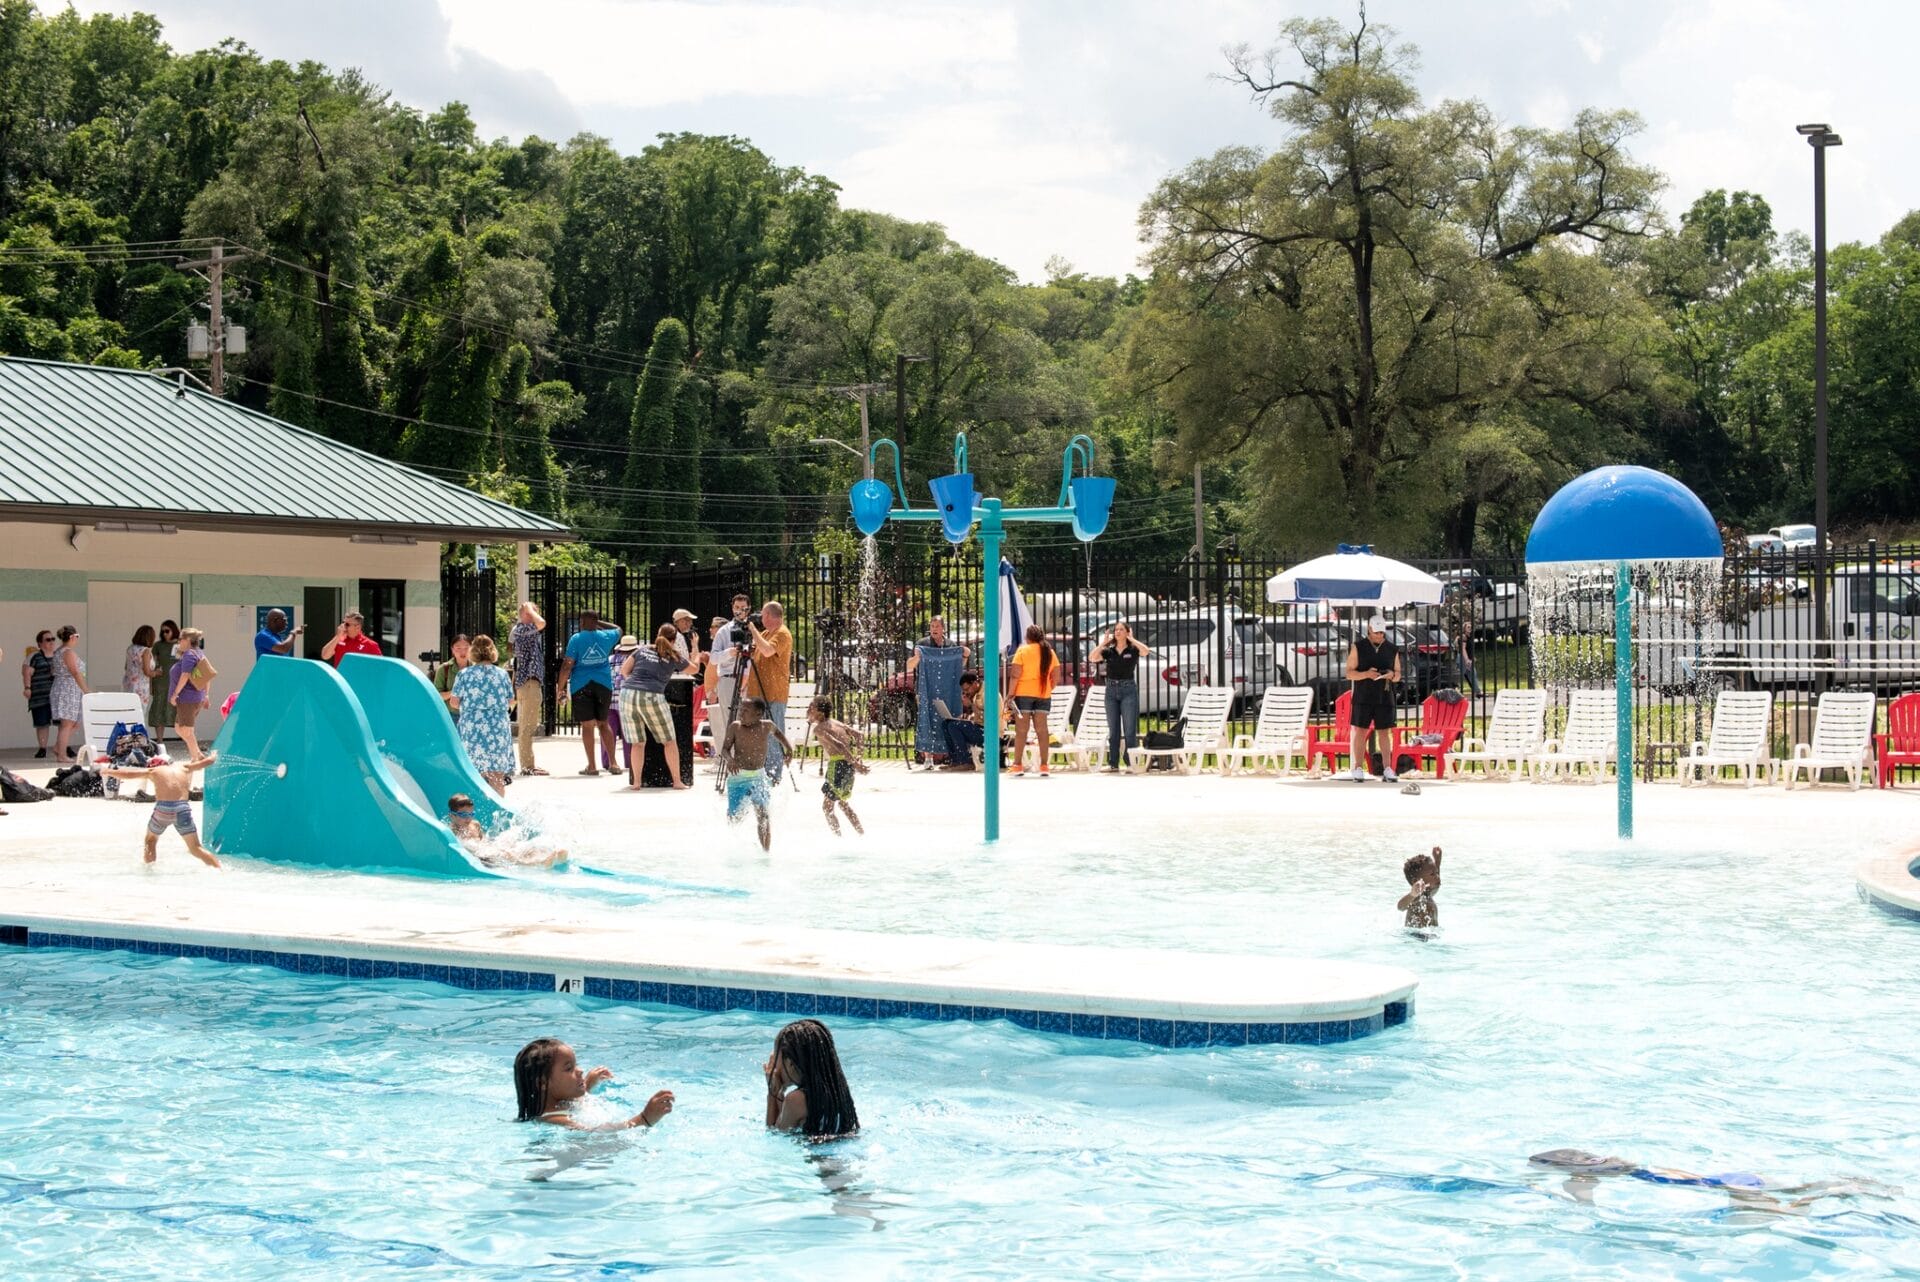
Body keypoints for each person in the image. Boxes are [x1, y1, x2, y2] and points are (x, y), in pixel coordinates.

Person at [512, 1037, 673, 1131]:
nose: (580, 1070)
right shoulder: (555, 1121)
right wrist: (643, 1119)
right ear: (542, 1083)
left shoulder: (560, 1104)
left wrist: (586, 1086)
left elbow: (574, 1103)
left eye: (576, 1064)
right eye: (569, 1068)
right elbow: (599, 1136)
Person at [97, 750, 221, 867]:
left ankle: (149, 870)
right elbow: (206, 763)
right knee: (195, 848)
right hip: (182, 809)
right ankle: (219, 869)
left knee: (150, 841)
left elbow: (129, 774)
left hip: (163, 809)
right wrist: (213, 755)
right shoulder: (184, 767)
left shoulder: (154, 771)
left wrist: (108, 771)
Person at [618, 625, 699, 790]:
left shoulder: (642, 650)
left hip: (627, 694)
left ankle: (637, 782)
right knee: (669, 741)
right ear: (674, 640)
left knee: (637, 743)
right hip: (652, 695)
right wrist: (695, 648)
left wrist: (635, 685)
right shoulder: (673, 655)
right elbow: (694, 669)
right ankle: (677, 781)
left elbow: (624, 671)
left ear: (657, 635)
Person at [765, 1018, 859, 1139]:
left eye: (776, 1057)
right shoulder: (839, 1093)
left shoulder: (795, 1100)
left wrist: (773, 1092)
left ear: (790, 1064)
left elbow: (775, 1134)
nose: (772, 1064)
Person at [556, 610, 622, 776]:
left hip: (581, 685)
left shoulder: (576, 639)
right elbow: (618, 629)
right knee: (603, 723)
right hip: (604, 684)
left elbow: (567, 664)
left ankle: (592, 766)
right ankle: (614, 763)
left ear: (582, 622)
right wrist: (598, 623)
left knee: (587, 725)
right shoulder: (606, 636)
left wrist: (560, 688)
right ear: (596, 622)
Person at [724, 698, 793, 851]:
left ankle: (765, 852)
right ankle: (732, 844)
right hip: (738, 778)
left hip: (759, 777)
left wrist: (788, 748)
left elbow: (778, 733)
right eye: (740, 709)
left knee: (763, 816)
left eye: (745, 711)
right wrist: (730, 760)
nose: (741, 713)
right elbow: (725, 749)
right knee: (735, 818)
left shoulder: (766, 726)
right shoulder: (735, 727)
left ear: (758, 714)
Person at [451, 635, 515, 795]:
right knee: (497, 777)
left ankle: (477, 808)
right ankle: (497, 808)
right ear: (493, 651)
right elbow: (510, 701)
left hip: (473, 728)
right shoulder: (502, 674)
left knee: (474, 773)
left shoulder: (464, 674)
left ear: (473, 651)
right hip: (497, 728)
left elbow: (454, 702)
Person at [1345, 614, 1401, 782]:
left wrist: (1391, 675)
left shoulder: (1392, 649)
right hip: (1363, 695)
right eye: (1376, 632)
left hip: (1384, 695)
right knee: (1361, 731)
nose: (1379, 635)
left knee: (1384, 731)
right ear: (1369, 629)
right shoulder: (1358, 647)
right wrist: (1366, 674)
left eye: (1382, 632)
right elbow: (1349, 673)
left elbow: (1398, 673)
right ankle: (1358, 768)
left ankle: (1387, 768)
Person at [743, 600, 795, 779]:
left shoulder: (783, 633)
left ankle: (774, 777)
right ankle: (761, 774)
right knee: (758, 736)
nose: (760, 618)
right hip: (758, 695)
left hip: (773, 695)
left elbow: (767, 651)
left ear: (768, 615)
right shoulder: (766, 633)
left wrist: (752, 629)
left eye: (762, 614)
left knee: (772, 736)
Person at [1091, 621, 1151, 773]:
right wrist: (1103, 643)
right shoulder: (1109, 651)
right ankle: (1113, 763)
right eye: (1116, 630)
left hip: (1128, 689)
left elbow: (1146, 651)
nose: (1117, 632)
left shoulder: (1133, 650)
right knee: (1114, 729)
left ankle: (1130, 763)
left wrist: (1132, 639)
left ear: (1127, 632)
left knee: (1130, 729)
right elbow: (1093, 657)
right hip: (1111, 690)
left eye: (1121, 629)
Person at [445, 793, 566, 868]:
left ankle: (545, 854)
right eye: (463, 815)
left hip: (484, 850)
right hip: (479, 858)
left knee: (513, 846)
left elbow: (483, 839)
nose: (468, 818)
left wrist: (492, 846)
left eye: (471, 814)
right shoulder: (452, 830)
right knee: (507, 855)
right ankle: (539, 863)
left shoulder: (475, 824)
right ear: (452, 816)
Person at [806, 696, 869, 835]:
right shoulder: (837, 723)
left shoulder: (819, 729)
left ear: (820, 712)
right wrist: (858, 757)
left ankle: (838, 838)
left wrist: (856, 764)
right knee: (843, 804)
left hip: (838, 767)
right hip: (847, 766)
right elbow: (859, 735)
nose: (809, 709)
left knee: (827, 807)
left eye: (812, 707)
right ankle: (862, 834)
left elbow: (839, 745)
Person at [708, 594, 753, 769]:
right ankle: (733, 763)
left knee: (750, 721)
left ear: (748, 609)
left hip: (750, 680)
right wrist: (729, 653)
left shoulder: (753, 629)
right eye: (737, 608)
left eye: (743, 608)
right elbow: (713, 658)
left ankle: (749, 761)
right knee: (731, 721)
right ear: (732, 608)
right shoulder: (724, 631)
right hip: (729, 679)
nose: (740, 611)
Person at [1007, 625, 1058, 778]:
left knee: (1022, 730)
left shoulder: (1022, 651)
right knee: (1042, 730)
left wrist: (1010, 694)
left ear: (1027, 637)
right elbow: (1056, 676)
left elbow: (1015, 675)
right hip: (1043, 694)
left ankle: (1017, 765)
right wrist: (1048, 688)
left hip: (1023, 694)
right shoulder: (1049, 652)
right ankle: (1044, 765)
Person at [508, 601, 548, 776]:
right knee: (527, 726)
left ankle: (528, 764)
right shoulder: (523, 629)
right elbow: (542, 622)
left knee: (527, 725)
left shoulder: (523, 631)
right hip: (529, 684)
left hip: (529, 683)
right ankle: (527, 766)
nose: (535, 614)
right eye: (533, 612)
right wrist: (529, 609)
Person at [939, 670, 1005, 772]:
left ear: (975, 683)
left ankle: (966, 762)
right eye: (964, 691)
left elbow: (989, 718)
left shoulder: (989, 693)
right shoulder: (977, 692)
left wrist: (971, 705)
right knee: (946, 724)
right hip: (981, 728)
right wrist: (968, 717)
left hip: (992, 734)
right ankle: (955, 761)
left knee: (954, 726)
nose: (966, 692)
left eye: (967, 689)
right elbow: (978, 716)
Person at [167, 627, 215, 761]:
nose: (178, 642)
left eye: (180, 639)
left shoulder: (189, 654)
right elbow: (207, 676)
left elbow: (185, 675)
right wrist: (206, 695)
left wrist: (175, 694)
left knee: (186, 730)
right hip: (193, 698)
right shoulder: (198, 653)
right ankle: (197, 754)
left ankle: (196, 757)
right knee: (179, 728)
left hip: (188, 699)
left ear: (188, 640)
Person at [49, 624, 88, 762]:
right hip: (67, 690)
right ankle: (62, 754)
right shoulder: (67, 652)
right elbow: (75, 672)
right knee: (67, 723)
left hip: (64, 688)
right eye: (77, 636)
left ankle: (58, 747)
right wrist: (86, 690)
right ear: (72, 637)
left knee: (73, 722)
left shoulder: (58, 652)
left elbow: (53, 671)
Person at [605, 633, 641, 776]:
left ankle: (607, 761)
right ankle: (630, 761)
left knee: (608, 732)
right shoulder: (636, 660)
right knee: (629, 734)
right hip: (628, 700)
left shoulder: (609, 659)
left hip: (609, 700)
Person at [23, 629, 56, 757]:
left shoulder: (59, 655)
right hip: (40, 696)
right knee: (42, 723)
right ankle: (42, 748)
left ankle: (63, 746)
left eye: (53, 639)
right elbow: (27, 672)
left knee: (63, 722)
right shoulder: (35, 656)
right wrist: (27, 688)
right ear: (40, 643)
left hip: (57, 696)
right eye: (48, 640)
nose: (51, 642)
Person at [905, 615, 971, 675]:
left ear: (943, 628)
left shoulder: (951, 644)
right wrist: (917, 657)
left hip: (946, 682)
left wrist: (965, 656)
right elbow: (909, 666)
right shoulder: (921, 644)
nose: (934, 629)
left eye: (937, 626)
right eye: (932, 626)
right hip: (926, 683)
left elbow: (958, 665)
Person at [123, 626, 159, 734]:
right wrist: (156, 673)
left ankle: (129, 736)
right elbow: (147, 671)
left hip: (129, 684)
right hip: (141, 687)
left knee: (129, 713)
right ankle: (138, 737)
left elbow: (126, 667)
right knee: (140, 713)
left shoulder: (130, 649)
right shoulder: (145, 651)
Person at [149, 620, 179, 744]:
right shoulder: (158, 645)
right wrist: (152, 681)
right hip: (160, 682)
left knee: (179, 712)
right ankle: (160, 740)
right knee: (159, 709)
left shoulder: (180, 644)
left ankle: (187, 739)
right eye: (162, 631)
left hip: (176, 683)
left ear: (174, 630)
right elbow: (152, 663)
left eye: (167, 631)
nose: (164, 634)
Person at [1397, 845, 1442, 929]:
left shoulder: (1427, 894)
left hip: (1429, 934)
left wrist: (1437, 863)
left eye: (1436, 872)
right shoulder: (1416, 898)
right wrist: (1412, 895)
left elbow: (1436, 886)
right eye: (1432, 874)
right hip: (1415, 935)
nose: (1437, 876)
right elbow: (1400, 907)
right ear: (1416, 880)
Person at [433, 634, 472, 721]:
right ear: (452, 650)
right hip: (450, 716)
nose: (463, 652)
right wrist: (455, 692)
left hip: (472, 715)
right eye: (458, 648)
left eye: (466, 648)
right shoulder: (444, 669)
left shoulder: (477, 669)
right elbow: (437, 696)